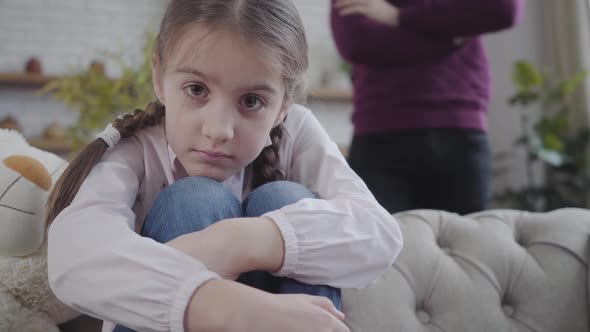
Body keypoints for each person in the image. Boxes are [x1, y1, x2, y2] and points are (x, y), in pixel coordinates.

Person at [46, 1, 403, 331]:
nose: (218, 130)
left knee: (285, 197)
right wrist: (225, 305)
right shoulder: (135, 149)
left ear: (283, 105)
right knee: (194, 198)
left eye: (251, 101)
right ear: (159, 76)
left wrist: (236, 242)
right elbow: (73, 255)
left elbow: (380, 235)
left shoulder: (296, 131)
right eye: (196, 89)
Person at [331, 0, 524, 214]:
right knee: (382, 244)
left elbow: (502, 9)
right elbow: (356, 40)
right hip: (380, 133)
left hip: (458, 128)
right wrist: (449, 36)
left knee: (465, 244)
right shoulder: (450, 39)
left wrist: (397, 16)